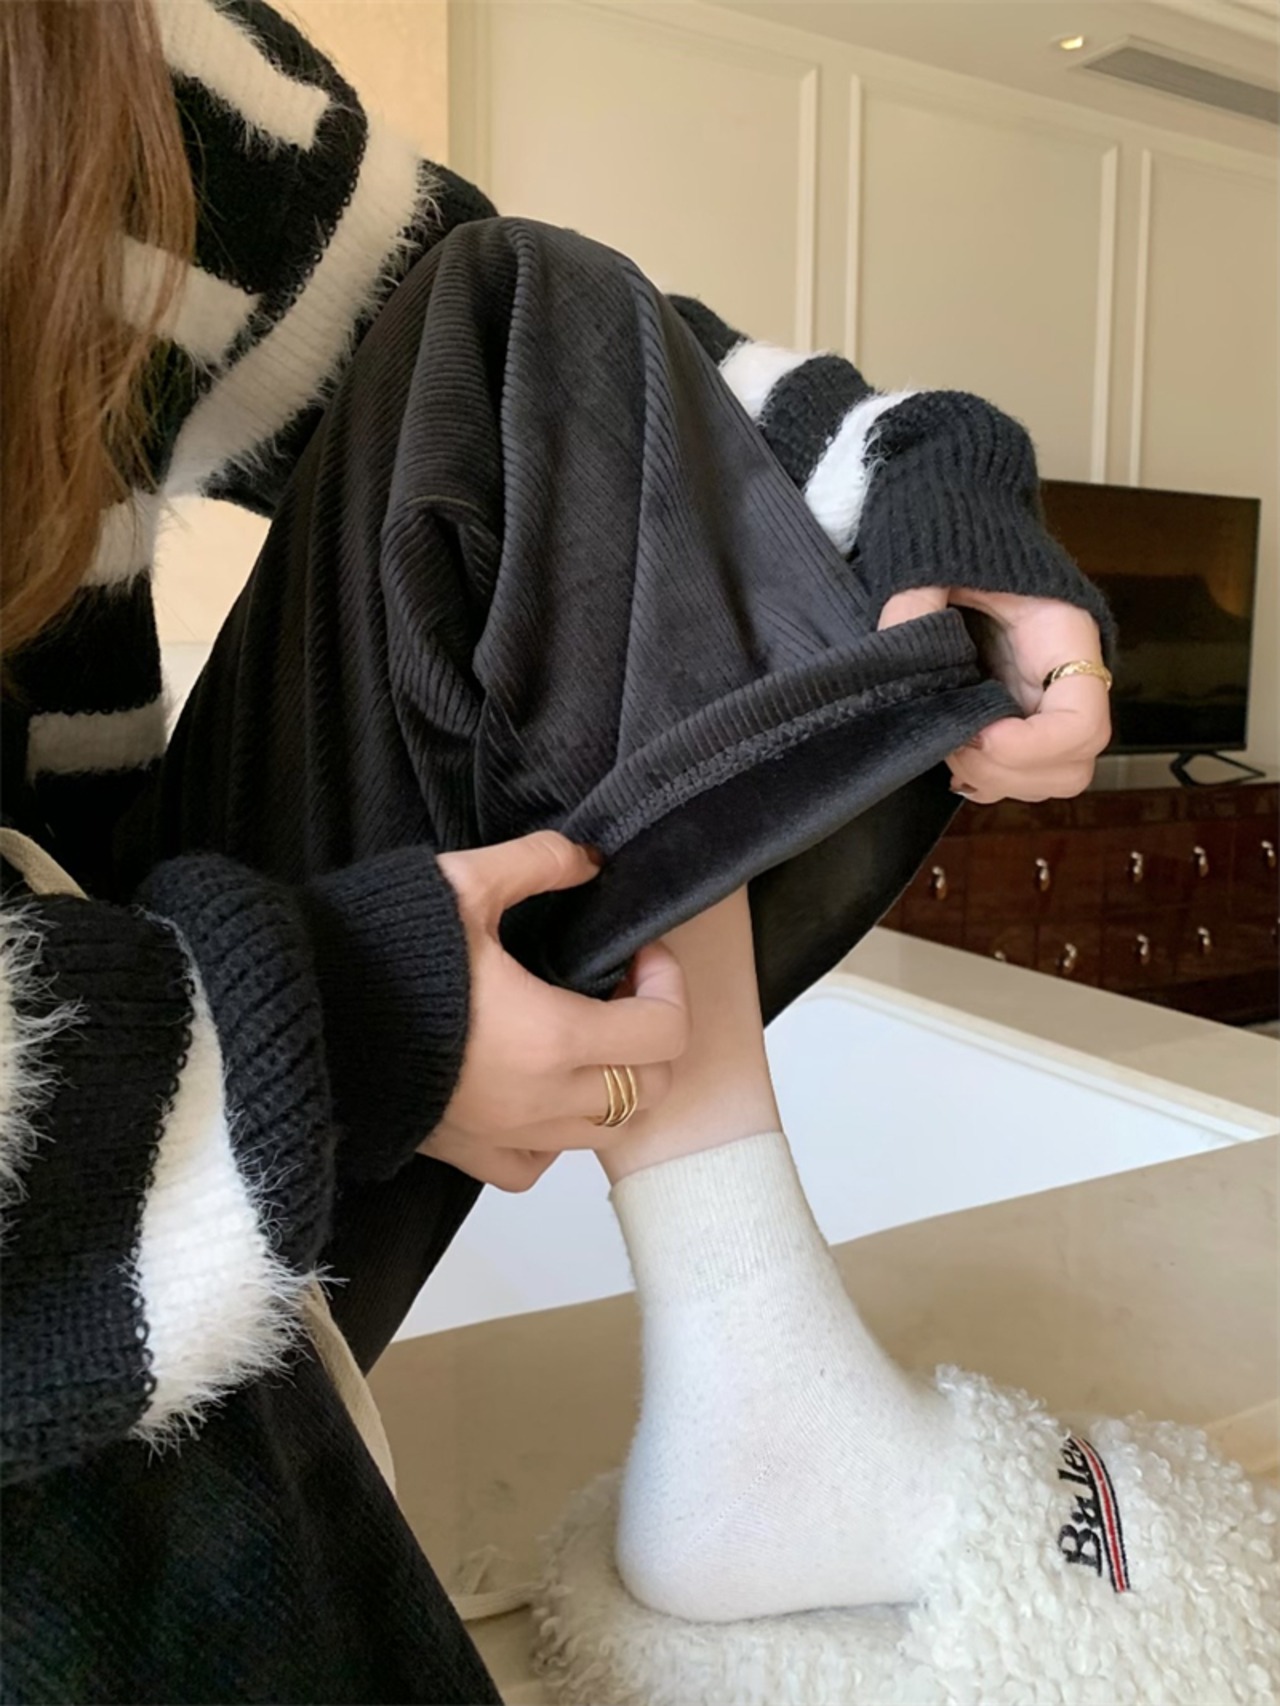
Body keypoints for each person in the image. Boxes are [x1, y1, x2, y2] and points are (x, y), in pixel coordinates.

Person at [0, 1, 1111, 1699]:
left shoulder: (110, 61)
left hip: (164, 1037)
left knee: (523, 318)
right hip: (56, 1252)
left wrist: (934, 498)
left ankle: (765, 1387)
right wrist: (343, 1024)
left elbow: (579, 389)